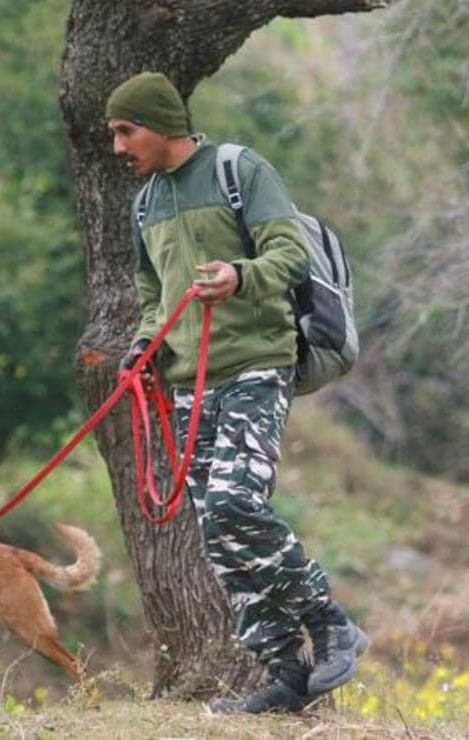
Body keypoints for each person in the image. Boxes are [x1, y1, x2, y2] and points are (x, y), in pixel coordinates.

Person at [109, 71, 366, 715]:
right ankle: (286, 673)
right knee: (217, 535)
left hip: (257, 364)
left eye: (125, 130)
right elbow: (152, 297)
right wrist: (144, 347)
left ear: (163, 123)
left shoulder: (237, 170)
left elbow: (290, 253)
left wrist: (240, 276)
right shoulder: (144, 204)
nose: (117, 147)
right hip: (187, 386)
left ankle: (330, 621)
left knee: (231, 502)